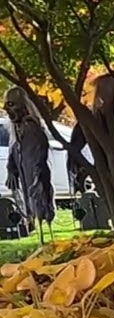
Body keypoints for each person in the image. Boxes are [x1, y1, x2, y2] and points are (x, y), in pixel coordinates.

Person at [3, 86, 55, 234]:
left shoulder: (31, 127)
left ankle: (44, 224)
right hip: (24, 171)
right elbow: (13, 150)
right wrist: (11, 169)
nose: (7, 110)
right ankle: (32, 222)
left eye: (11, 104)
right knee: (28, 200)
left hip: (35, 172)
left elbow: (41, 150)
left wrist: (38, 173)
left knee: (40, 198)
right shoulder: (17, 130)